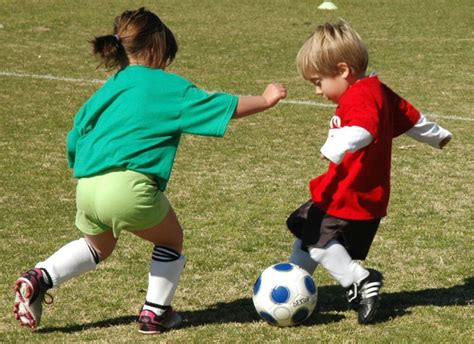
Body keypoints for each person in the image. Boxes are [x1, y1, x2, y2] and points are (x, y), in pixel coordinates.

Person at [13, 7, 287, 334]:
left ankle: (39, 277)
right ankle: (155, 313)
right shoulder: (166, 87)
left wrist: (82, 168)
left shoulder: (109, 88)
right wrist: (266, 99)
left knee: (97, 247)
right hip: (130, 188)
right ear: (157, 48)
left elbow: (76, 133)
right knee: (171, 240)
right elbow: (219, 106)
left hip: (87, 186)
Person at [286, 20, 452, 324]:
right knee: (306, 227)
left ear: (343, 70)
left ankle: (360, 281)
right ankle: (293, 281)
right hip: (359, 193)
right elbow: (410, 117)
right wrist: (437, 135)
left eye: (318, 81)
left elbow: (363, 130)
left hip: (349, 193)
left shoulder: (360, 97)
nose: (317, 91)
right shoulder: (375, 89)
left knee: (319, 244)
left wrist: (335, 147)